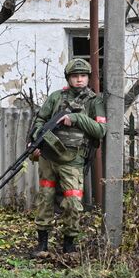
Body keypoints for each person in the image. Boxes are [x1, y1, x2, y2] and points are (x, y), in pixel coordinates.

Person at [30, 58, 107, 257]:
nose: (79, 80)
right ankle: (42, 246)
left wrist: (76, 118)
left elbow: (100, 130)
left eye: (83, 76)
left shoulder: (94, 101)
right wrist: (37, 139)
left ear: (88, 78)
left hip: (73, 161)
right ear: (68, 78)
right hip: (49, 158)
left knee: (73, 202)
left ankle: (69, 246)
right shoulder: (56, 97)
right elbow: (40, 120)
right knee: (44, 199)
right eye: (75, 76)